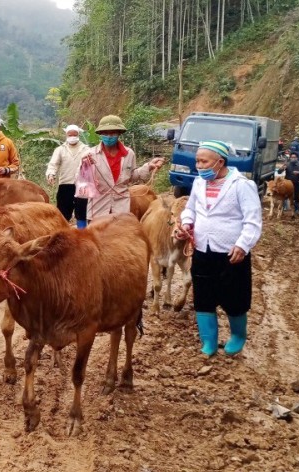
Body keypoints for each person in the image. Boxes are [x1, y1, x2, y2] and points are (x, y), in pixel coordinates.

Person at [176, 140, 262, 357]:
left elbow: (252, 220)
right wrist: (187, 223)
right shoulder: (199, 183)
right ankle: (209, 341)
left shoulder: (242, 185)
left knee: (234, 296)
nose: (199, 166)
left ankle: (238, 336)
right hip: (203, 249)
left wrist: (243, 244)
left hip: (231, 253)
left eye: (204, 161)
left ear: (220, 162)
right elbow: (190, 209)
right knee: (203, 295)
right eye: (197, 161)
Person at [81, 115, 165, 220]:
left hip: (121, 207)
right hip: (98, 208)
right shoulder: (90, 154)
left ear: (119, 133)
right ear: (100, 134)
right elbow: (81, 182)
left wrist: (148, 167)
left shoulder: (129, 154)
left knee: (122, 230)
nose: (109, 136)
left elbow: (132, 176)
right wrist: (84, 167)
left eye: (113, 133)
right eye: (105, 133)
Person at [45, 124, 90, 228]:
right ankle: (63, 232)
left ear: (78, 135)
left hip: (82, 185)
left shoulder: (86, 149)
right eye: (70, 135)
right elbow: (53, 164)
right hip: (65, 184)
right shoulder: (60, 150)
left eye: (75, 135)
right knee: (63, 212)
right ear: (66, 135)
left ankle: (82, 232)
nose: (72, 137)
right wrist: (51, 174)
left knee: (82, 212)